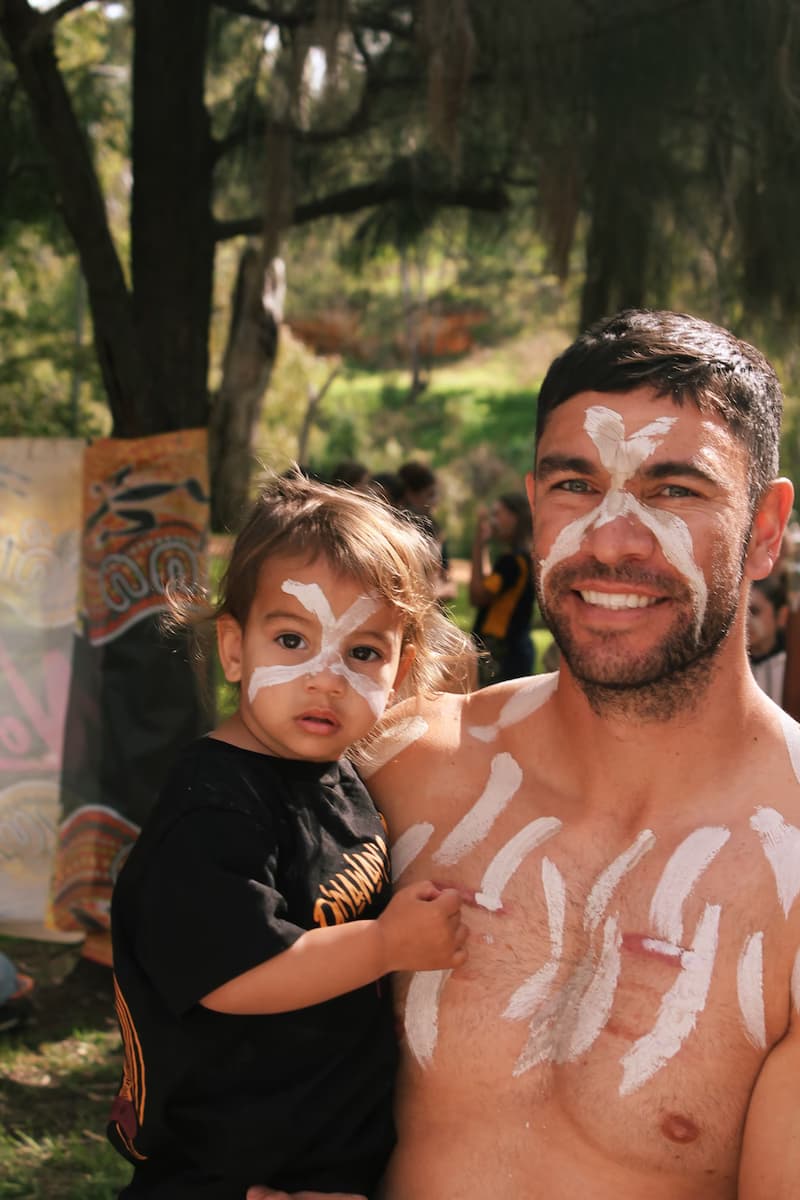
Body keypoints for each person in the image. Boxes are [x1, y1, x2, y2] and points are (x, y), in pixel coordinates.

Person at [248, 308, 800, 1200]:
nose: (613, 540)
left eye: (674, 491)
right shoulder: (396, 769)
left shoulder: (791, 873)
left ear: (765, 529)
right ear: (534, 502)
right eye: (575, 485)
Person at [107, 473, 470, 1199]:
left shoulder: (335, 776)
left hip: (319, 1160)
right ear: (234, 650)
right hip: (230, 1174)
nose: (327, 677)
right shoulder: (215, 805)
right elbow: (237, 975)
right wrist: (387, 945)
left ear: (400, 673)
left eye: (363, 652)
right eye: (293, 639)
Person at [469, 492, 536, 685]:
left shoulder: (512, 562)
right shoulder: (523, 558)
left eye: (497, 514)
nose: (493, 521)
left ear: (514, 517)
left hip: (501, 653)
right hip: (517, 650)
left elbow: (477, 596)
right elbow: (490, 583)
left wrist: (477, 544)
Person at [397, 460, 457, 604]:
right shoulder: (401, 529)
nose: (435, 501)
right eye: (429, 495)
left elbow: (445, 571)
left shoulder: (434, 526)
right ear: (409, 494)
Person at [748, 574, 788, 703]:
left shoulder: (792, 666)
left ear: (782, 615)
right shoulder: (725, 664)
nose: (745, 620)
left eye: (754, 611)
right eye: (740, 612)